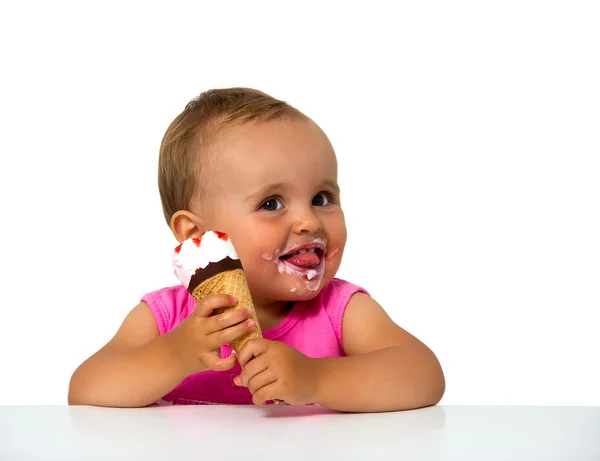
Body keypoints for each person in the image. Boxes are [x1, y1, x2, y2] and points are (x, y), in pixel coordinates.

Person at [68, 88, 445, 412]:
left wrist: (316, 378)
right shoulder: (168, 317)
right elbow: (85, 390)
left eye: (321, 197)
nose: (309, 222)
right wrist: (175, 355)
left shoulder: (339, 311)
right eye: (271, 204)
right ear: (198, 234)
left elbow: (424, 376)